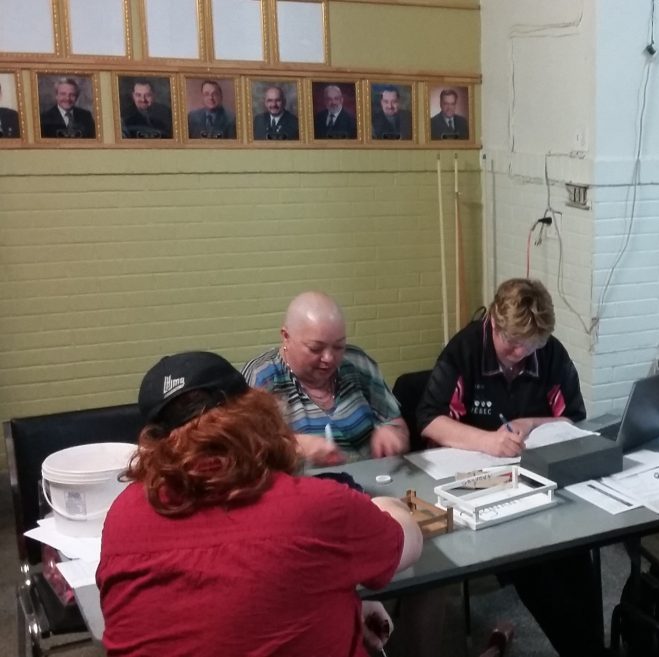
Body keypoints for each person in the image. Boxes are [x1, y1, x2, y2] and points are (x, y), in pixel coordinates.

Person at [97, 351, 423, 657]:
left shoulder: (122, 517)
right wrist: (388, 506)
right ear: (257, 415)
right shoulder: (318, 508)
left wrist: (341, 607)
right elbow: (407, 543)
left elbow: (216, 613)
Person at [417, 278, 604, 657]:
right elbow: (428, 419)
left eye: (530, 346)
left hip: (536, 477)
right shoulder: (466, 349)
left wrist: (531, 424)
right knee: (535, 563)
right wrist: (487, 441)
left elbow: (573, 419)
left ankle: (590, 648)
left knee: (576, 556)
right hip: (472, 482)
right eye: (512, 344)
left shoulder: (549, 353)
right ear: (494, 326)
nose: (519, 353)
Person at [243, 291, 409, 466]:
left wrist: (394, 434)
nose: (329, 358)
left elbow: (396, 423)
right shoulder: (260, 378)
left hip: (372, 481)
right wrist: (292, 447)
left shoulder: (357, 363)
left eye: (338, 346)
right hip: (301, 487)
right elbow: (243, 453)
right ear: (286, 337)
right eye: (316, 348)